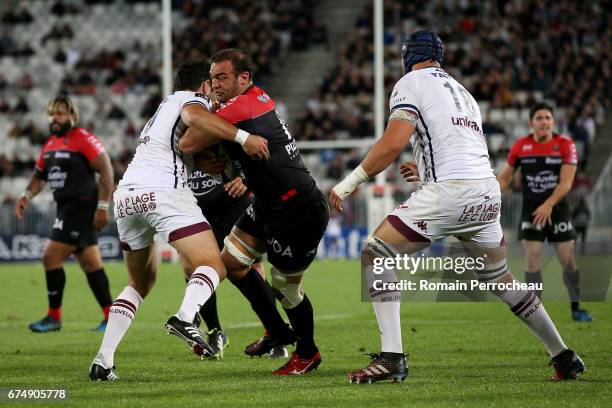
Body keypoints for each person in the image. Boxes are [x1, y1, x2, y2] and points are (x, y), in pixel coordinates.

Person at [330, 31, 585, 384]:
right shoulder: (464, 93)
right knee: (500, 279)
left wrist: (348, 182)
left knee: (377, 254)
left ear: (407, 57)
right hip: (485, 192)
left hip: (450, 192)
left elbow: (392, 143)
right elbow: (463, 147)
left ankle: (392, 358)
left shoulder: (411, 82)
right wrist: (428, 172)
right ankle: (564, 355)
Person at [87, 60, 270, 381]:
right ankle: (186, 317)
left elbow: (178, 144)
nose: (214, 93)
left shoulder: (163, 105)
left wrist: (201, 159)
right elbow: (195, 118)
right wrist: (243, 138)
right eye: (211, 86)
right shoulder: (194, 101)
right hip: (163, 191)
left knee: (139, 283)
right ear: (202, 85)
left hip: (127, 194)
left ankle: (103, 361)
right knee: (214, 265)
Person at [183, 48, 330, 375]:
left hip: (298, 208)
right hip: (268, 204)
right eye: (212, 78)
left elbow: (190, 141)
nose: (215, 84)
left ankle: (307, 353)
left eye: (222, 77)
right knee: (231, 264)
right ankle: (277, 332)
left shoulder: (242, 105)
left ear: (244, 78)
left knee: (286, 288)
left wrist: (211, 118)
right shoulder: (250, 101)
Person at [14, 95, 114, 333]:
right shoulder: (51, 143)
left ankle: (53, 317)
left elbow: (106, 169)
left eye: (60, 113)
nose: (54, 118)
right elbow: (40, 176)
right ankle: (111, 316)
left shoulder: (83, 139)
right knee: (91, 264)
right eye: (51, 114)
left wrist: (102, 207)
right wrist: (26, 196)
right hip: (66, 207)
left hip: (81, 207)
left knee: (50, 258)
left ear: (72, 115)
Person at [497, 102, 593, 322]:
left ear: (553, 122)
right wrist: (488, 192)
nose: (544, 122)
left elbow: (567, 183)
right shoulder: (521, 146)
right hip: (531, 211)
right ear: (531, 123)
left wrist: (549, 204)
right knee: (532, 263)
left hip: (557, 209)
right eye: (539, 118)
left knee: (568, 261)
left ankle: (576, 308)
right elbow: (504, 178)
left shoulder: (565, 145)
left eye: (548, 117)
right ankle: (536, 314)